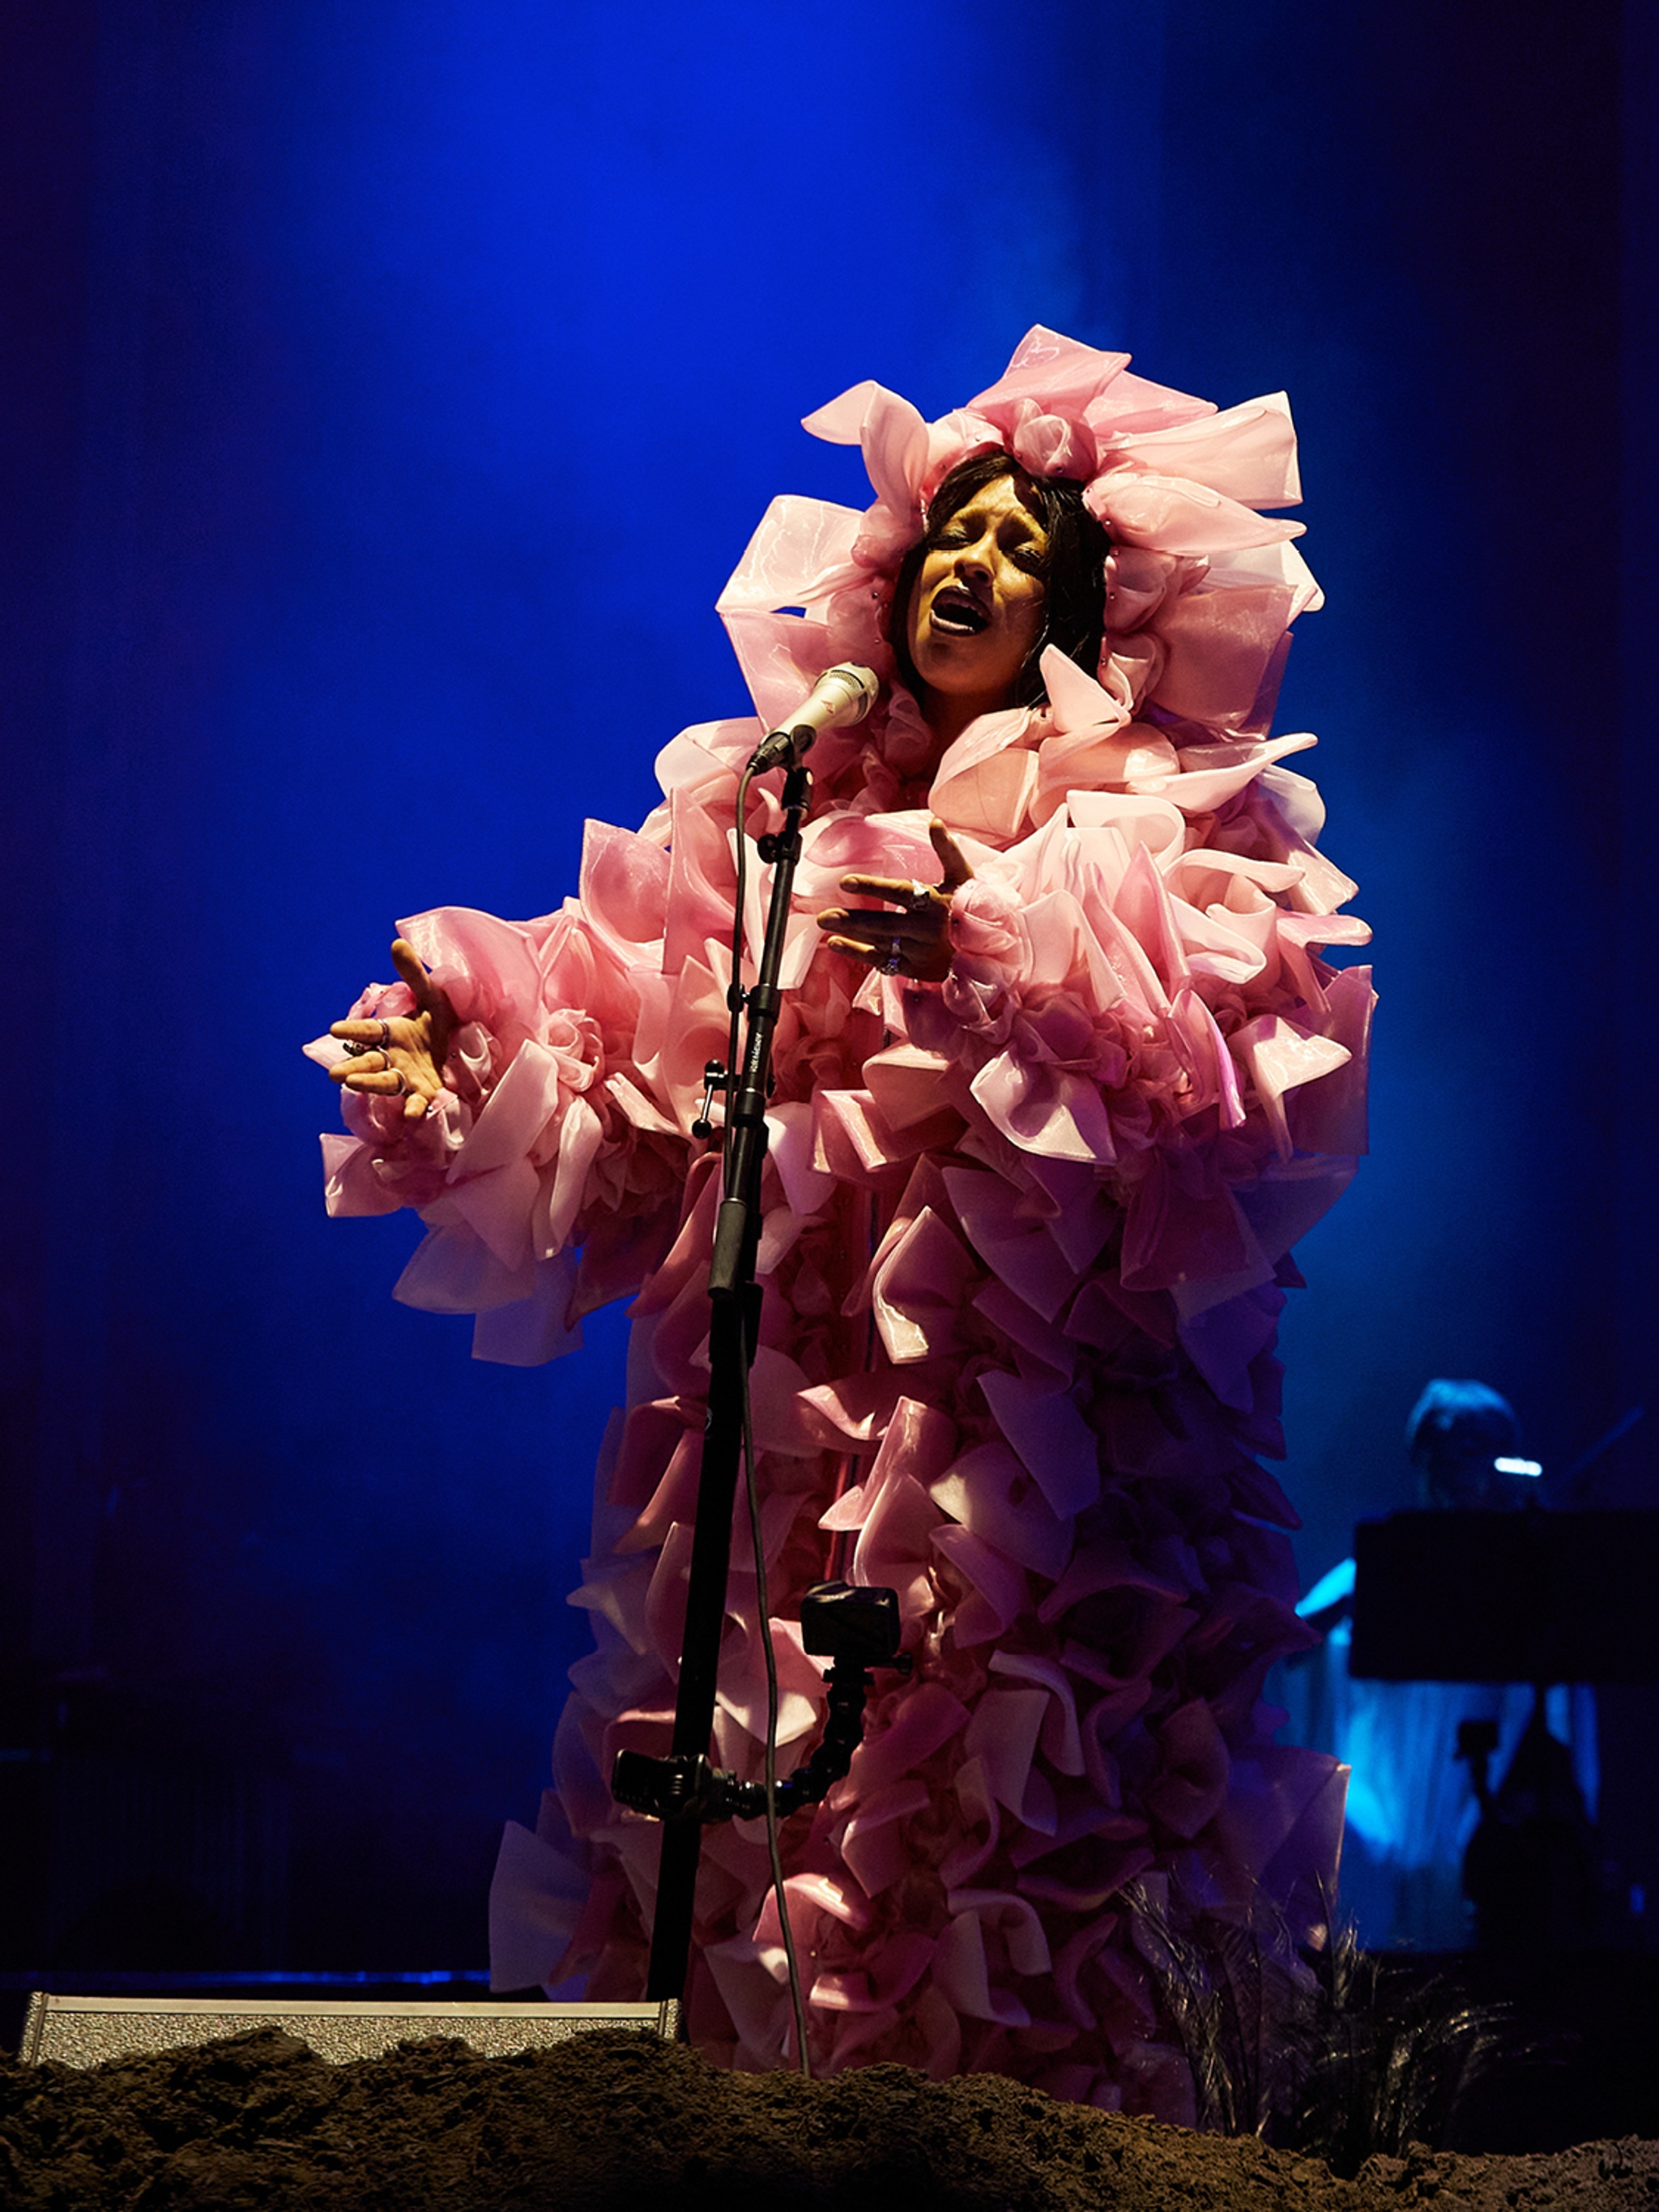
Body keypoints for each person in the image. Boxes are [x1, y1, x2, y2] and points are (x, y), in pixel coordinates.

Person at [308, 328, 1373, 2115]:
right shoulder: (785, 813)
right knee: (766, 1830)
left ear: (1091, 613)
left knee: (987, 1857)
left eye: (1023, 546)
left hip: (1021, 1490)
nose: (972, 561)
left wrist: (993, 969)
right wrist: (466, 1052)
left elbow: (1214, 1122)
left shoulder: (1151, 830)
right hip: (793, 1451)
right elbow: (642, 1077)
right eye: (952, 533)